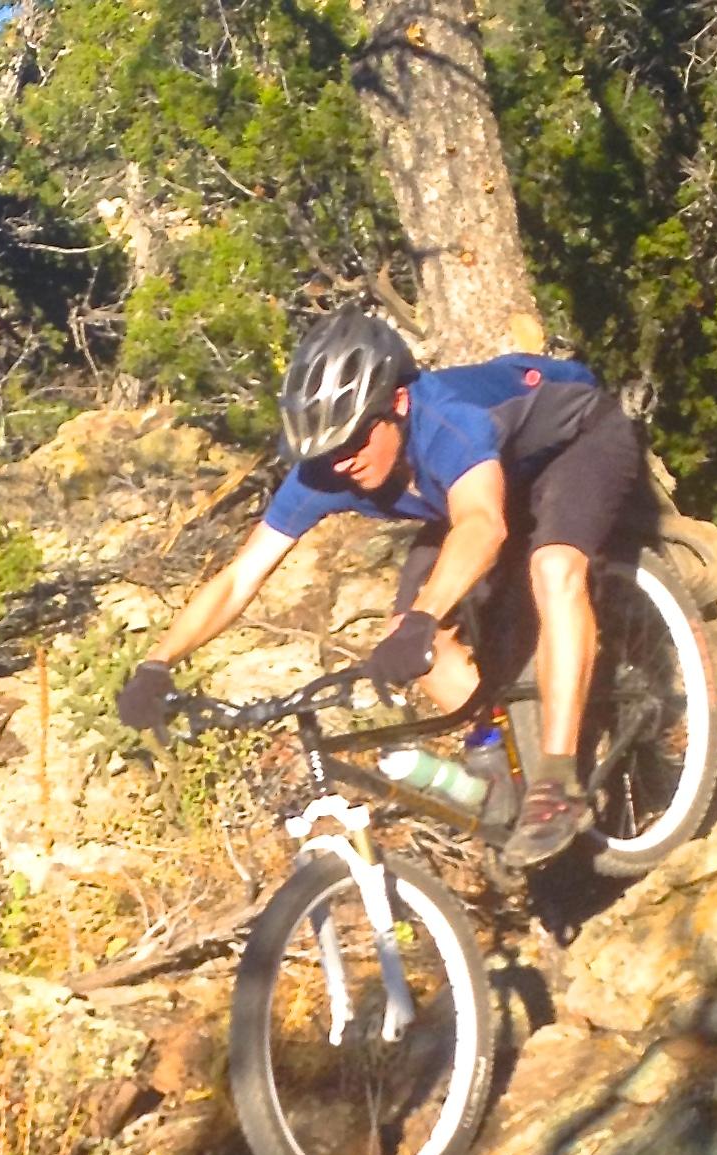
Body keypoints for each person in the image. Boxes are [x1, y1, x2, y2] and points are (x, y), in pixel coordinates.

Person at [115, 306, 642, 868]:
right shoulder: (328, 469)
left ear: (398, 403)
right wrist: (159, 661)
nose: (343, 463)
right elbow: (240, 577)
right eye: (327, 450)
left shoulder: (448, 422)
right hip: (475, 489)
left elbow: (484, 525)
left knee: (553, 567)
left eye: (354, 441)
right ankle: (503, 755)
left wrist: (427, 612)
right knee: (410, 637)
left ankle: (556, 783)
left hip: (575, 444)